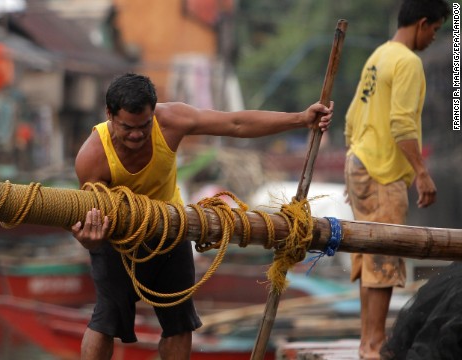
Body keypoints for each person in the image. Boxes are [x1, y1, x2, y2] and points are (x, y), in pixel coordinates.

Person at [71, 72, 333, 360]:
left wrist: (300, 119)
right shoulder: (92, 157)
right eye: (127, 127)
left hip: (171, 229)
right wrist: (89, 241)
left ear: (154, 113)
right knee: (106, 320)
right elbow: (90, 223)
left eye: (144, 126)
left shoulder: (171, 120)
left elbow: (234, 123)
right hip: (118, 238)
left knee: (180, 325)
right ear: (109, 115)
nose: (136, 134)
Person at [343, 1, 449, 359]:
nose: (434, 37)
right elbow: (402, 124)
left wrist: (353, 165)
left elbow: (351, 116)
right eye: (434, 30)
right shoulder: (406, 61)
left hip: (361, 162)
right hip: (383, 170)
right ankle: (374, 344)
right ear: (421, 24)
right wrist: (422, 173)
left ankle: (366, 342)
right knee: (385, 257)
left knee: (369, 253)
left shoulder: (379, 55)